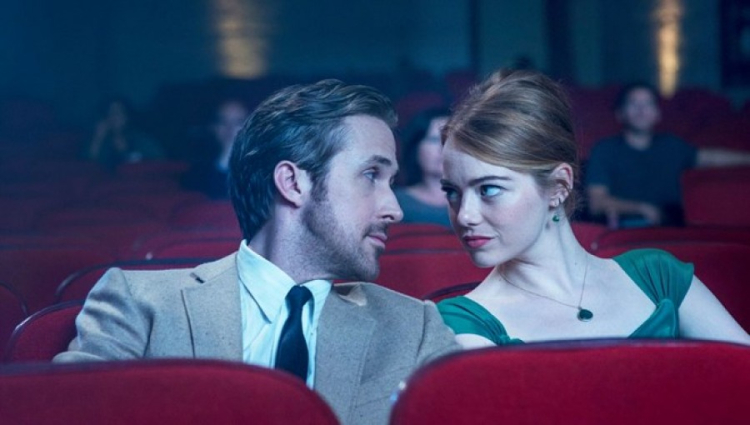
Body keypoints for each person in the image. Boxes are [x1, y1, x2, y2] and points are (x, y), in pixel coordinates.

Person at [55, 80, 459, 425]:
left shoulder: (415, 327)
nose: (394, 209)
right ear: (293, 183)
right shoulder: (140, 303)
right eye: (371, 175)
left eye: (391, 181)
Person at [436, 69, 750, 348]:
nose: (464, 215)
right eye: (452, 192)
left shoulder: (658, 275)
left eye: (488, 189)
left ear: (559, 186)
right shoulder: (462, 320)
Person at [585, 82, 750, 228]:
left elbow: (710, 157)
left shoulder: (671, 145)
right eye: (633, 103)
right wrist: (642, 208)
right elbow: (597, 202)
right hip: (625, 229)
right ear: (620, 113)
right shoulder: (604, 150)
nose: (641, 110)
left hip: (672, 227)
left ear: (657, 113)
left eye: (648, 104)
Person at [181, 98, 250, 198]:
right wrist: (224, 161)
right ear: (213, 127)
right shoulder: (198, 168)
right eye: (223, 122)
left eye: (238, 122)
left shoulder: (262, 166)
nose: (229, 129)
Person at [395, 108, 452, 227]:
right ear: (415, 147)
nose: (443, 148)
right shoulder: (395, 203)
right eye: (434, 140)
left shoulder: (476, 201)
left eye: (451, 140)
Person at [87, 97, 164, 169]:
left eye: (117, 113)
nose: (113, 117)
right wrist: (98, 139)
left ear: (126, 116)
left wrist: (125, 152)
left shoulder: (141, 140)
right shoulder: (103, 141)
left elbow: (159, 162)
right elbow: (89, 166)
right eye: (110, 113)